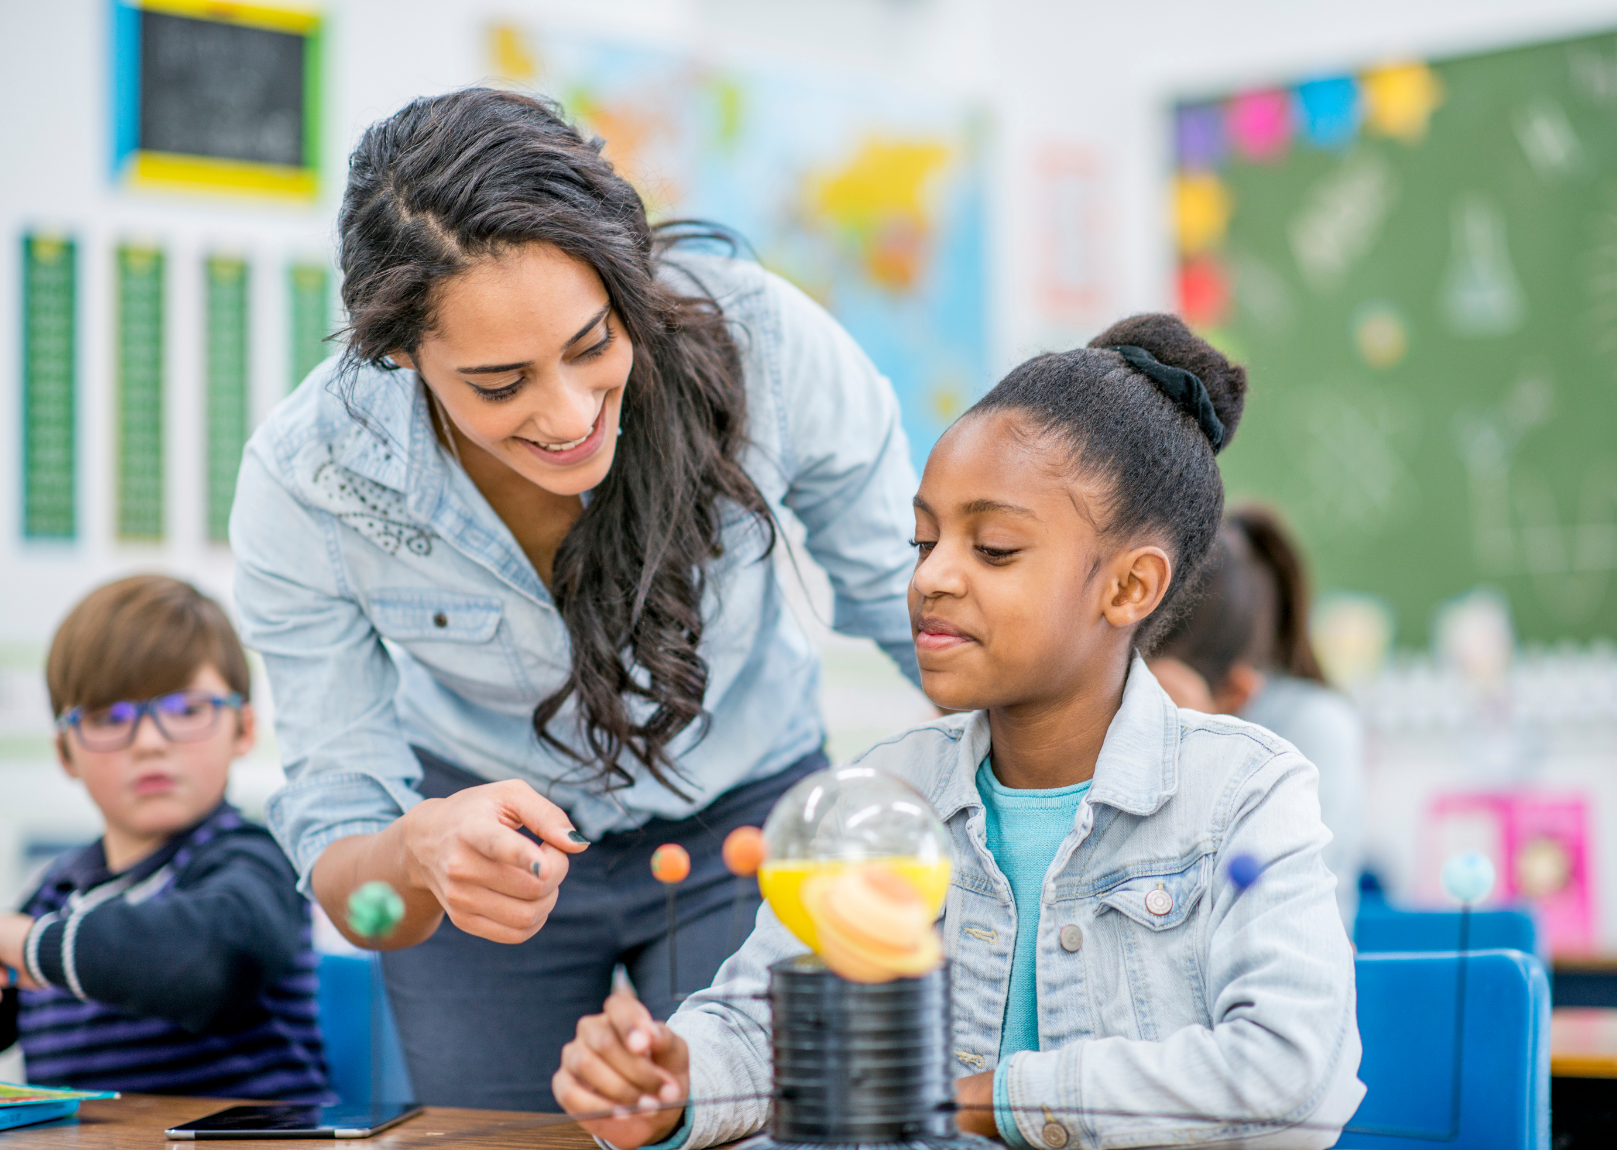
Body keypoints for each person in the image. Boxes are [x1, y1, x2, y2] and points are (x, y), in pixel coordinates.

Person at [230, 88, 922, 1110]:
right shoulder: (312, 478)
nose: (566, 414)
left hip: (747, 821)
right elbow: (361, 887)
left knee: (785, 1123)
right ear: (399, 355)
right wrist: (419, 856)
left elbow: (918, 609)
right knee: (490, 1138)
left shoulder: (768, 344)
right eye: (500, 384)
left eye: (594, 343)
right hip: (482, 848)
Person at [554, 315, 1364, 1149]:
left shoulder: (1247, 793)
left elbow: (1289, 1077)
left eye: (996, 548)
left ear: (1128, 588)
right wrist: (677, 1082)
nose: (932, 577)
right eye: (924, 540)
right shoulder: (884, 795)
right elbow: (768, 1029)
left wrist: (989, 1099)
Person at [0, 576, 330, 1101]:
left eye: (185, 711)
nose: (150, 742)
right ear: (65, 752)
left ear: (243, 728)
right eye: (110, 717)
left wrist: (25, 941)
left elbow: (209, 962)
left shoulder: (255, 860)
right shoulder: (54, 893)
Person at [1150, 508, 1366, 926]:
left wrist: (1191, 750)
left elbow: (1284, 913)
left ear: (1236, 692)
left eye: (1154, 701)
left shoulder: (1316, 728)